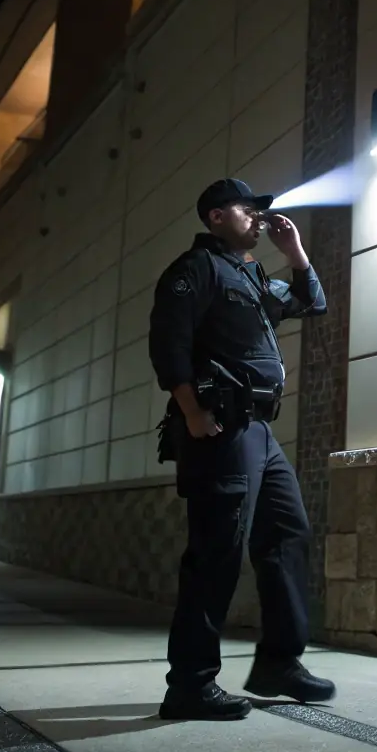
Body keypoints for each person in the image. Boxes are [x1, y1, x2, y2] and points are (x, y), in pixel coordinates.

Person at [148, 177, 335, 721]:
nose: (256, 216)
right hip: (220, 431)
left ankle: (280, 662)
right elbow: (168, 342)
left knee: (286, 533)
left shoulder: (250, 276)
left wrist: (294, 253)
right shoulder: (195, 271)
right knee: (216, 553)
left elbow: (309, 301)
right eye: (245, 209)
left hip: (258, 432)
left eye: (259, 211)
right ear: (214, 217)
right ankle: (189, 685)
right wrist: (189, 409)